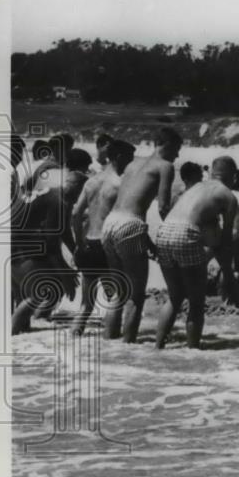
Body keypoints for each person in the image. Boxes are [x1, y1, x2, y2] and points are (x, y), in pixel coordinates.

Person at [101, 126, 182, 343]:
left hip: (110, 223)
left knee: (119, 292)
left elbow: (129, 199)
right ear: (168, 144)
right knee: (136, 296)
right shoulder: (165, 166)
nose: (178, 155)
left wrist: (147, 241)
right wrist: (175, 231)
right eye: (177, 148)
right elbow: (163, 206)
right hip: (131, 225)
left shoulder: (132, 164)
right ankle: (128, 347)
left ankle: (109, 344)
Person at [155, 156, 239, 349]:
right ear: (233, 176)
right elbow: (226, 238)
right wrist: (227, 271)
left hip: (164, 231)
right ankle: (192, 351)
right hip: (187, 232)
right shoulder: (227, 196)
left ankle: (158, 347)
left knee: (174, 297)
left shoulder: (196, 187)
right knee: (196, 302)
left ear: (212, 172)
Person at [11, 161, 88, 335]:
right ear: (75, 188)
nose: (81, 199)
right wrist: (64, 272)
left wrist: (76, 250)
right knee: (41, 291)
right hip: (20, 246)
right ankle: (11, 336)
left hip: (10, 243)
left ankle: (24, 339)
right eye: (82, 194)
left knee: (25, 295)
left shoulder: (53, 192)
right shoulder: (59, 200)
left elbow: (64, 231)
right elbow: (52, 242)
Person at [69, 139, 136, 338]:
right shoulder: (120, 183)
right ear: (119, 157)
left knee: (86, 305)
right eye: (130, 159)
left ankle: (74, 337)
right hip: (108, 246)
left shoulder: (91, 181)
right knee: (116, 296)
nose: (131, 164)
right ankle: (111, 341)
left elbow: (75, 214)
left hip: (88, 243)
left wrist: (79, 243)